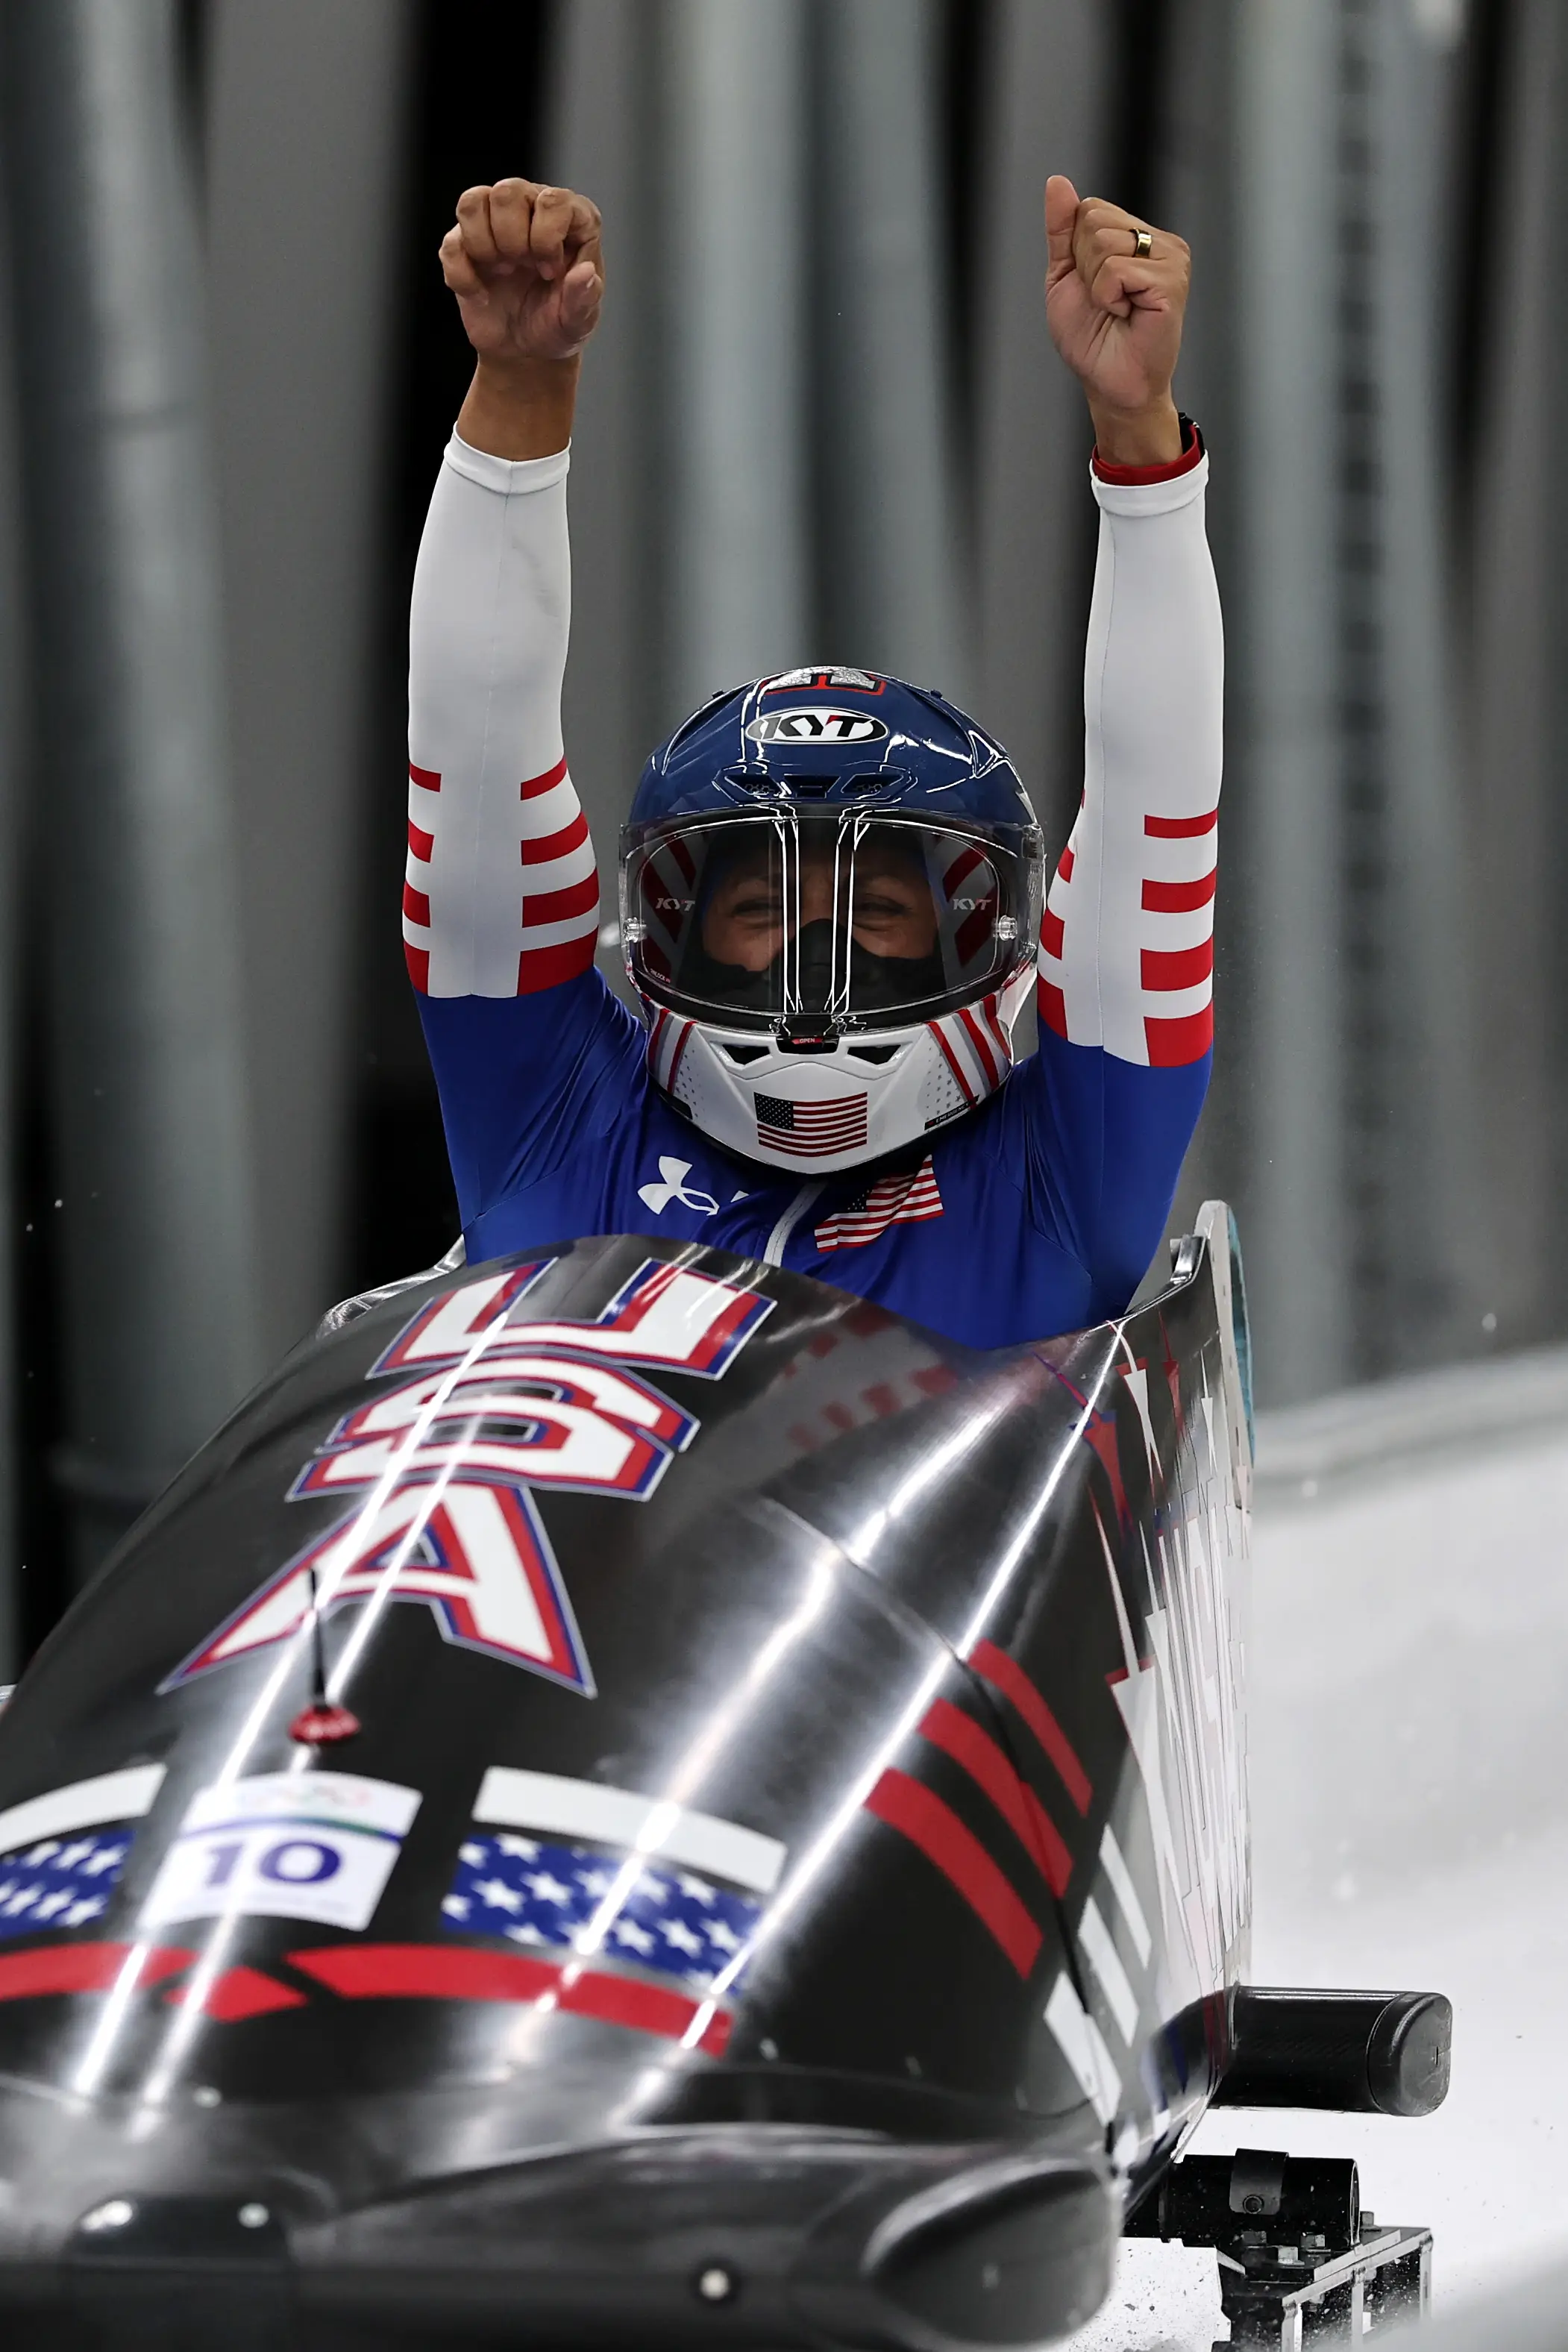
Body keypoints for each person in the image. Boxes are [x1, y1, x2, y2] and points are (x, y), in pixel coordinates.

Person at [404, 175, 1221, 1354]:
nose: (814, 959)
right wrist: (520, 382)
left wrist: (1140, 439)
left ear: (983, 929)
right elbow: (475, 755)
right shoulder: (550, 1110)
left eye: (879, 906)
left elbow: (1154, 819)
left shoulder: (1057, 1182)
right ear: (670, 925)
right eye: (760, 905)